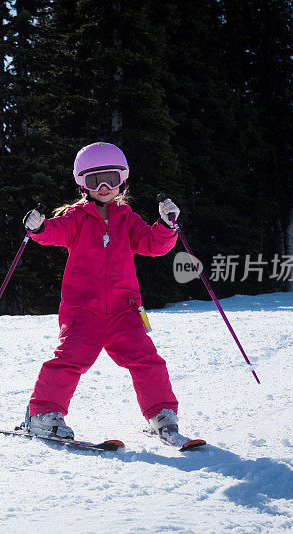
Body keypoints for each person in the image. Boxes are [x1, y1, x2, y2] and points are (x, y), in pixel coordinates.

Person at [22, 141, 182, 442]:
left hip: (125, 309)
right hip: (83, 309)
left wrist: (166, 225)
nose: (104, 186)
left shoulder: (127, 218)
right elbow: (54, 232)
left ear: (123, 180)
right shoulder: (76, 218)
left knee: (147, 358)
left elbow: (153, 244)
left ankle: (161, 414)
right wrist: (40, 227)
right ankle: (42, 414)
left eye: (111, 178)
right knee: (71, 358)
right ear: (83, 184)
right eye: (95, 180)